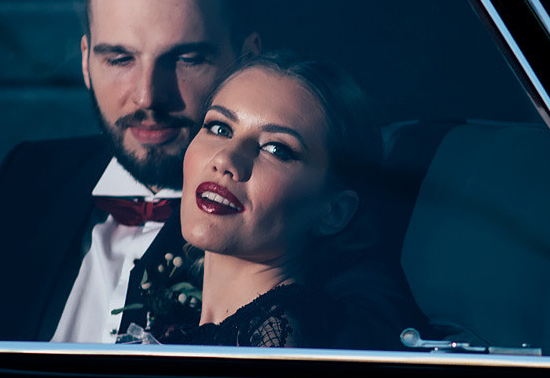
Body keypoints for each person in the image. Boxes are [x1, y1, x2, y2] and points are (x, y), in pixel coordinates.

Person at [0, 0, 259, 343]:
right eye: (120, 59)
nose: (147, 97)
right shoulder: (25, 177)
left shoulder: (280, 213)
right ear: (86, 61)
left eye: (185, 59)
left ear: (246, 59)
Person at [114, 50, 421, 349]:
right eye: (219, 128)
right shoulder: (185, 314)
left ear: (334, 212)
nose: (227, 160)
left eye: (276, 149)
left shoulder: (281, 337)